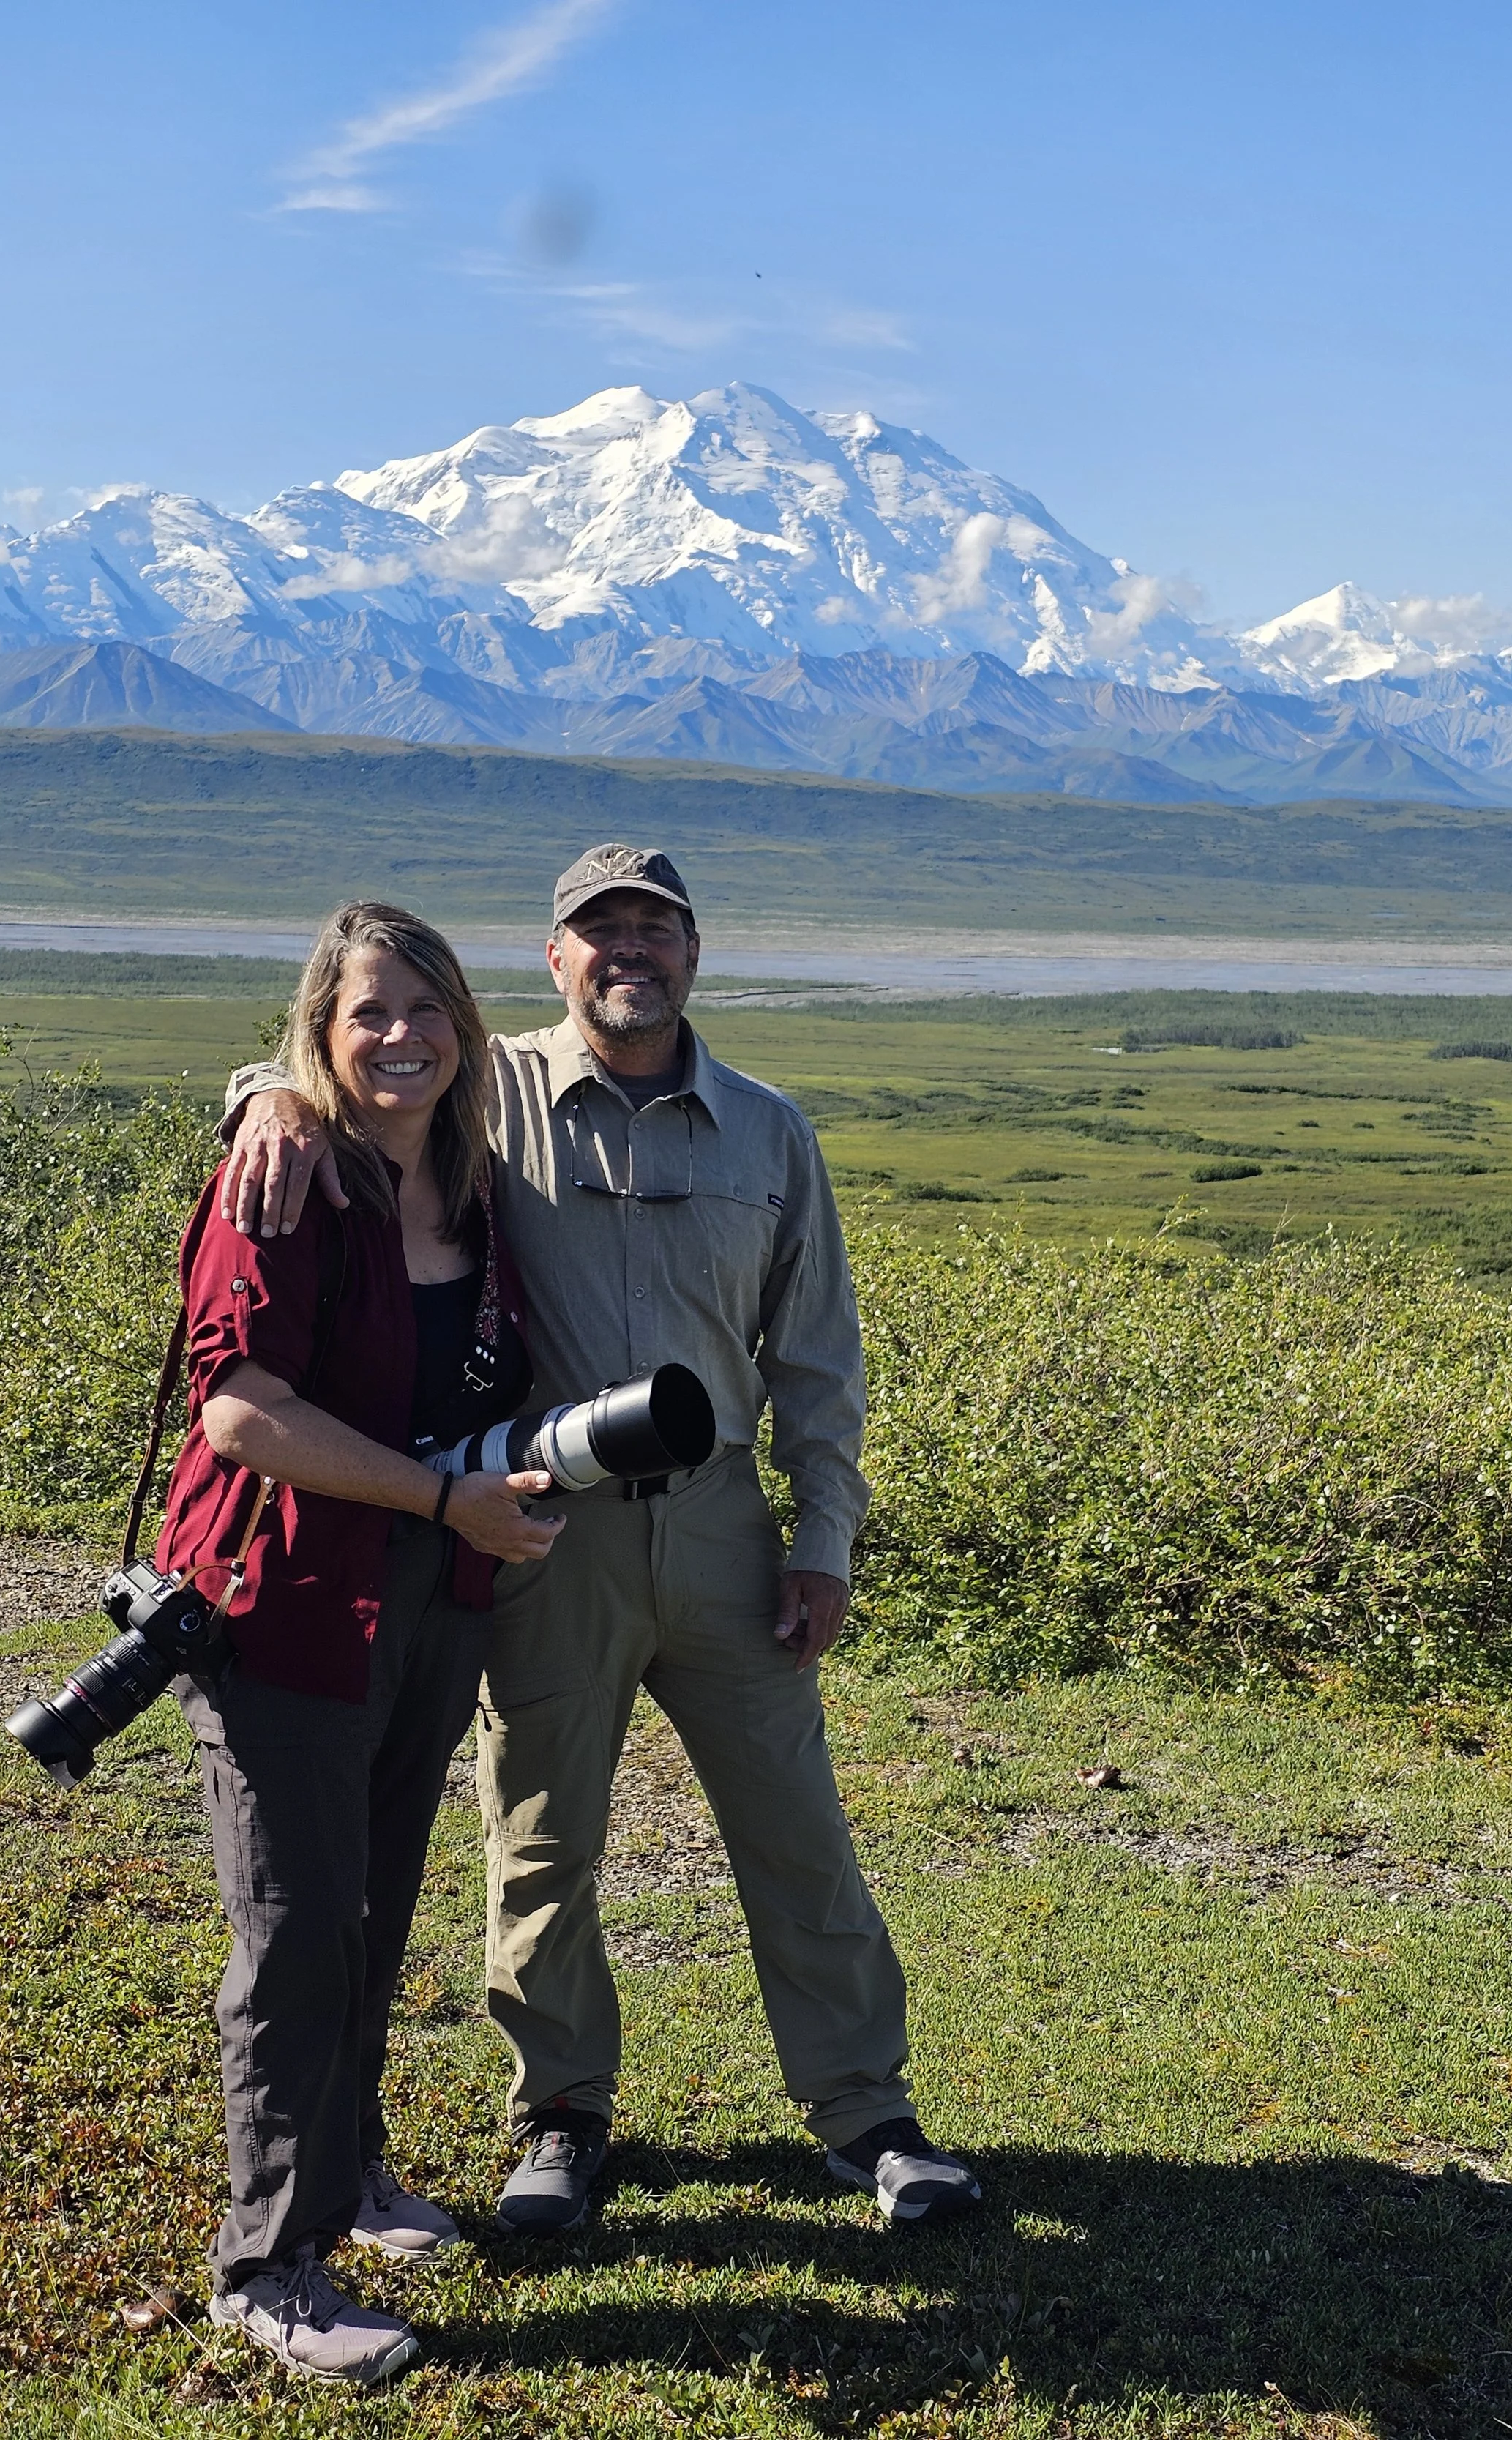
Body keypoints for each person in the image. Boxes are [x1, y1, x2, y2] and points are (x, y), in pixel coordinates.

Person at [223, 844, 981, 2236]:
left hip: (725, 1532)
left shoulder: (770, 1131)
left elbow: (816, 1360)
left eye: (657, 929)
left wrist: (825, 1539)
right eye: (600, 931)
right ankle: (560, 2117)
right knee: (540, 1838)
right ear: (554, 957)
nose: (630, 952)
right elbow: (353, 1065)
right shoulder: (484, 1085)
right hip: (542, 1531)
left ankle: (868, 2112)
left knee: (798, 1834)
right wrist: (263, 1094)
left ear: (696, 952)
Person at [160, 901, 563, 2384]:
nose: (401, 1036)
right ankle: (265, 2265)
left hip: (426, 1607)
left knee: (372, 1911)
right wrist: (445, 1495)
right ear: (316, 1037)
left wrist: (495, 1496)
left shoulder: (470, 1188)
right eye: (366, 1015)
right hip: (285, 1605)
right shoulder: (287, 1182)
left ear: (464, 1023)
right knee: (290, 1939)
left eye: (425, 1009)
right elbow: (240, 1412)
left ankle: (351, 2180)